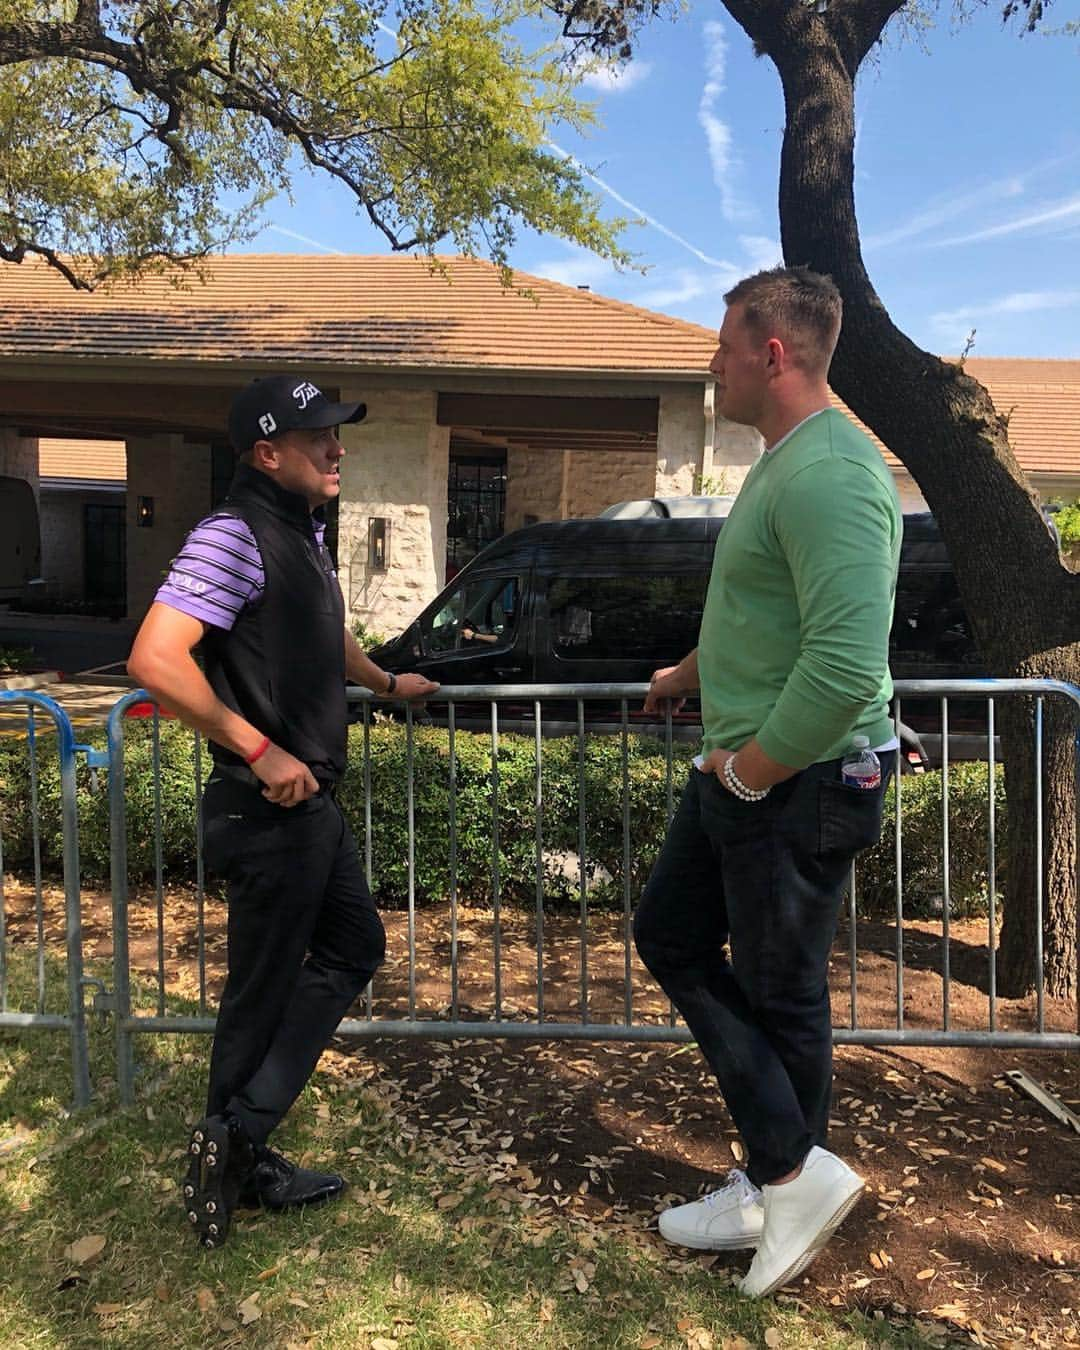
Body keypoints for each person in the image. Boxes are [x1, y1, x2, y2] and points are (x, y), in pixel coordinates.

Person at [632, 268, 901, 1298]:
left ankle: (785, 1180)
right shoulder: (788, 463)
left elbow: (842, 665)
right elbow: (768, 611)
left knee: (782, 993)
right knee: (674, 938)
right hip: (756, 772)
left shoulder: (833, 474)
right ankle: (776, 1179)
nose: (713, 362)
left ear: (773, 354)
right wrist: (688, 674)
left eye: (724, 344)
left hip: (792, 779)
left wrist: (746, 774)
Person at [127, 375, 438, 1249]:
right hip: (265, 807)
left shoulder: (296, 535)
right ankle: (234, 1150)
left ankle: (241, 1137)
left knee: (352, 947)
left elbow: (321, 629)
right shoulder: (231, 535)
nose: (337, 449)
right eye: (318, 439)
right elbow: (154, 658)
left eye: (337, 435)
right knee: (260, 996)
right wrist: (258, 749)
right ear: (268, 454)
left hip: (309, 810)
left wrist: (383, 681)